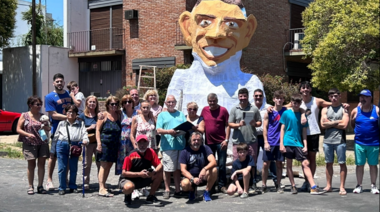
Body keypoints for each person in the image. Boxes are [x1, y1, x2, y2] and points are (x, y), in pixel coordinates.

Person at [166, 0, 265, 115]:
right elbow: (169, 117)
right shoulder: (181, 78)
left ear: (248, 32)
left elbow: (260, 119)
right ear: (188, 27)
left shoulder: (251, 83)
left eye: (231, 24)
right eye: (205, 22)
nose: (216, 34)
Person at [297, 81, 349, 192]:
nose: (305, 90)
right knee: (304, 160)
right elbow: (285, 106)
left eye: (307, 88)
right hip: (302, 133)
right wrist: (270, 108)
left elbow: (332, 102)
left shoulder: (317, 100)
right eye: (303, 88)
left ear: (310, 89)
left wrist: (344, 104)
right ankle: (306, 182)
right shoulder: (297, 102)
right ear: (300, 90)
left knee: (312, 159)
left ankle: (311, 183)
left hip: (314, 133)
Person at [279, 93, 325, 195]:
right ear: (291, 103)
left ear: (300, 103)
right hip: (287, 142)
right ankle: (293, 186)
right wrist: (281, 144)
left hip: (298, 143)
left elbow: (304, 132)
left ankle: (313, 186)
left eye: (298, 103)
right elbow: (282, 129)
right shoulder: (286, 113)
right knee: (289, 165)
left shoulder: (303, 115)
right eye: (294, 102)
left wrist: (305, 145)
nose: (296, 104)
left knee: (305, 163)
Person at [228, 88, 261, 191]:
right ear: (238, 97)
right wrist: (238, 124)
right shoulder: (234, 109)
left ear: (247, 96)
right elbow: (229, 123)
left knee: (252, 164)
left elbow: (259, 122)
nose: (242, 98)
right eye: (241, 96)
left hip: (251, 140)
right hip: (238, 142)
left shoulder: (254, 109)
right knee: (236, 163)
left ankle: (253, 183)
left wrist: (255, 124)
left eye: (244, 96)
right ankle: (237, 184)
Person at [17, 96, 51, 195]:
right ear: (30, 105)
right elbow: (18, 129)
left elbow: (48, 129)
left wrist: (46, 126)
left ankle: (40, 186)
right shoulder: (25, 115)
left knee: (41, 164)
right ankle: (30, 186)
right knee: (31, 165)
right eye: (37, 104)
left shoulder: (42, 116)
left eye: (40, 104)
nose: (39, 106)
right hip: (30, 143)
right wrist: (28, 134)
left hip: (42, 143)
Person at [44, 73, 73, 191]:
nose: (59, 83)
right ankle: (49, 180)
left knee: (67, 156)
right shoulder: (49, 97)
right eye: (57, 81)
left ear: (64, 83)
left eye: (61, 81)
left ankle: (64, 179)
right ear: (53, 83)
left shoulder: (68, 95)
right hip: (56, 131)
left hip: (69, 129)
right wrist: (68, 117)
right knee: (53, 156)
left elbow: (73, 109)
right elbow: (53, 115)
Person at [53, 105, 89, 195]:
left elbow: (84, 134)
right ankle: (62, 187)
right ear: (66, 112)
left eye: (73, 112)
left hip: (75, 146)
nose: (71, 113)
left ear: (76, 113)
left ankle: (72, 185)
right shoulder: (61, 123)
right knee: (62, 168)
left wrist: (85, 140)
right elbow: (56, 136)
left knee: (73, 167)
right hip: (61, 145)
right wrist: (52, 150)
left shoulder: (81, 123)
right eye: (69, 111)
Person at [320, 88, 349, 195]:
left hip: (340, 141)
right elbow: (322, 125)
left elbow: (345, 125)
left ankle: (342, 187)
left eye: (336, 96)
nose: (334, 98)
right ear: (329, 97)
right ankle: (329, 186)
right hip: (327, 140)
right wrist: (338, 121)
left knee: (342, 163)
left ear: (340, 96)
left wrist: (330, 122)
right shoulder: (325, 109)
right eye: (332, 96)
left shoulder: (344, 109)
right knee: (328, 163)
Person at [156, 95, 187, 199]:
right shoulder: (162, 115)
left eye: (172, 102)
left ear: (175, 103)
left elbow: (185, 127)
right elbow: (158, 130)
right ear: (165, 103)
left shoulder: (181, 114)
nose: (171, 104)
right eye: (169, 102)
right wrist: (169, 132)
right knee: (168, 169)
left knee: (177, 169)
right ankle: (167, 189)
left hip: (180, 145)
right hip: (168, 146)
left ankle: (178, 190)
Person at [119, 135, 163, 206]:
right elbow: (124, 173)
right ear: (136, 144)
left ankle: (151, 196)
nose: (142, 145)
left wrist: (153, 172)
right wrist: (139, 174)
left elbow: (160, 165)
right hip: (129, 179)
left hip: (143, 178)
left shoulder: (151, 152)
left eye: (144, 143)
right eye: (140, 143)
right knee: (128, 187)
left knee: (159, 173)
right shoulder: (130, 155)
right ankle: (127, 195)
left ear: (147, 144)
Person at [350, 89, 379, 194]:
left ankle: (373, 185)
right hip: (359, 142)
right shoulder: (355, 110)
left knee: (373, 165)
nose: (363, 99)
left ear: (370, 98)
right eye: (361, 97)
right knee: (359, 165)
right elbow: (352, 124)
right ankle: (359, 185)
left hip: (374, 143)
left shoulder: (377, 110)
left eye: (366, 96)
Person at [200, 93, 230, 193]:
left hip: (221, 142)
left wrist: (226, 140)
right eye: (210, 101)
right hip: (208, 142)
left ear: (217, 101)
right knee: (210, 165)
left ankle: (222, 185)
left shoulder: (223, 110)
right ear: (208, 101)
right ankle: (211, 186)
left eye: (214, 101)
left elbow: (228, 125)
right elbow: (201, 121)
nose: (212, 103)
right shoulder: (204, 110)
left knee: (221, 165)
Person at [179, 132, 217, 202]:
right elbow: (183, 170)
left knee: (214, 170)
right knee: (184, 184)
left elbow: (214, 162)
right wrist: (193, 179)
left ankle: (207, 192)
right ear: (190, 141)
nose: (196, 142)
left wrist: (204, 169)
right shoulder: (185, 151)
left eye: (198, 140)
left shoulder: (205, 148)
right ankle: (192, 191)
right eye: (194, 140)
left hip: (203, 176)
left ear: (201, 141)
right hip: (191, 178)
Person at [261, 90, 287, 194]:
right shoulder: (269, 112)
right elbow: (265, 128)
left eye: (281, 98)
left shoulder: (286, 111)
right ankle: (264, 185)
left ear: (283, 100)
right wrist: (266, 142)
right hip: (270, 141)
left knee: (279, 164)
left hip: (280, 142)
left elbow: (296, 104)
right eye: (277, 98)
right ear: (274, 99)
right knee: (265, 164)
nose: (279, 100)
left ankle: (278, 185)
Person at [96, 95, 121, 197]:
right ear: (107, 105)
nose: (114, 106)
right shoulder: (103, 116)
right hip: (105, 144)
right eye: (112, 104)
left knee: (109, 165)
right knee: (104, 165)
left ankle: (104, 185)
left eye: (116, 104)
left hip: (114, 145)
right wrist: (99, 144)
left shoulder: (118, 115)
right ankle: (101, 188)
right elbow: (97, 130)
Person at [253, 88, 276, 187]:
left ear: (263, 97)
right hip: (254, 137)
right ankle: (253, 182)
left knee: (270, 159)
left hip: (266, 137)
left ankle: (276, 181)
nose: (258, 97)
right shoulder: (250, 108)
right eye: (256, 95)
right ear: (253, 97)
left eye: (260, 95)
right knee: (252, 160)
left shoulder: (269, 107)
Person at [78, 95, 100, 190]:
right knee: (86, 163)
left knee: (100, 163)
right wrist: (90, 128)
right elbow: (79, 129)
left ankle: (101, 181)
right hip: (87, 142)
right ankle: (85, 181)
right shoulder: (82, 115)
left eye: (94, 102)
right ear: (86, 103)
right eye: (90, 102)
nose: (92, 104)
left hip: (98, 141)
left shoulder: (99, 115)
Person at [116, 95, 137, 176]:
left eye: (129, 101)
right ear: (123, 104)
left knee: (133, 158)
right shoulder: (120, 113)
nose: (127, 103)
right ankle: (123, 177)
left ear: (133, 103)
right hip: (123, 140)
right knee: (123, 159)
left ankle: (134, 177)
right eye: (125, 102)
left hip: (133, 139)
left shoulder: (137, 112)